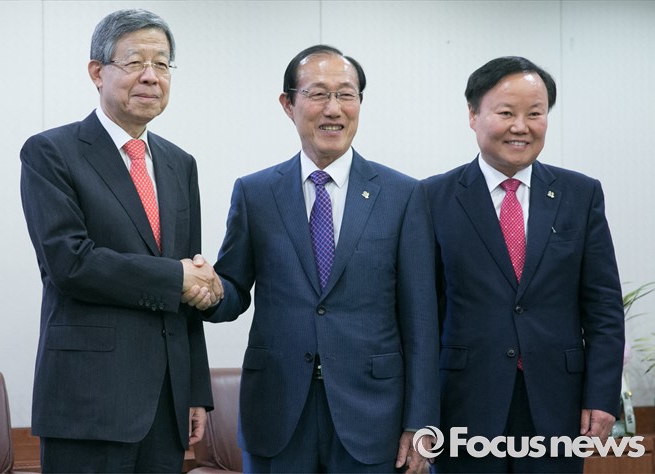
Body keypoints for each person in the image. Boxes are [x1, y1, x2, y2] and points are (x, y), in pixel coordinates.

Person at [196, 44, 439, 473]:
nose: (334, 108)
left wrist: (420, 422)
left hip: (373, 416)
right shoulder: (256, 193)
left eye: (346, 94)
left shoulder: (403, 195)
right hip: (277, 410)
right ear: (288, 104)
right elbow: (232, 291)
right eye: (318, 93)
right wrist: (206, 289)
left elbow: (421, 320)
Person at [20, 9, 223, 472]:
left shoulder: (179, 164)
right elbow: (70, 262)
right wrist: (176, 277)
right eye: (135, 63)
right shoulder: (51, 152)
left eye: (162, 64)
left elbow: (189, 278)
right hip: (87, 402)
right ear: (98, 72)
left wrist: (195, 389)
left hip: (166, 404)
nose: (151, 77)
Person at [424, 56, 625, 473]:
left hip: (558, 403)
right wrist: (418, 412)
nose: (521, 126)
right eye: (506, 113)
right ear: (473, 115)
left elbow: (603, 307)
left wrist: (602, 397)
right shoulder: (432, 198)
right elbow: (421, 314)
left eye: (535, 113)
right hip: (463, 402)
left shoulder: (580, 194)